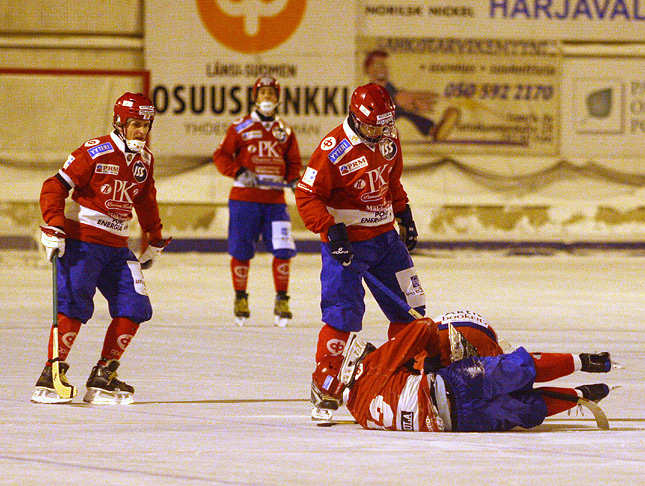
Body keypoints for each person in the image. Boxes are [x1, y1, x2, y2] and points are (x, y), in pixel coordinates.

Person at [294, 83, 425, 420]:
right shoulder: (332, 149)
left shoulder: (389, 138)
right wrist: (329, 228)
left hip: (385, 240)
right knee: (343, 313)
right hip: (347, 246)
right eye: (373, 126)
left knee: (411, 307)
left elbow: (390, 181)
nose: (380, 133)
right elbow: (307, 195)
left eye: (385, 125)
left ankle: (404, 371)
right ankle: (325, 382)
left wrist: (404, 213)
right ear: (355, 117)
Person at [32, 92, 170, 405]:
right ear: (120, 123)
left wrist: (155, 237)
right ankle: (50, 374)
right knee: (75, 305)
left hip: (118, 247)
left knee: (136, 306)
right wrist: (54, 224)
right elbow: (55, 186)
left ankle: (103, 374)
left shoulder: (145, 160)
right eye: (136, 124)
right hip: (84, 243)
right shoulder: (95, 151)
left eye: (146, 125)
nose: (141, 131)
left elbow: (146, 200)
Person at [313, 316, 614, 432]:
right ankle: (583, 361)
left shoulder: (360, 415)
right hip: (453, 385)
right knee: (518, 368)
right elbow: (424, 327)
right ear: (345, 369)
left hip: (458, 422)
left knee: (525, 408)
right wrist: (430, 357)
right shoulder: (370, 368)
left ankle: (581, 397)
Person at [213, 74, 302, 327]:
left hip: (275, 201)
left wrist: (295, 179)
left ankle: (282, 299)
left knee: (283, 250)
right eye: (263, 93)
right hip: (244, 200)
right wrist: (239, 172)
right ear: (255, 97)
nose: (267, 98)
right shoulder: (239, 127)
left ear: (278, 99)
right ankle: (241, 298)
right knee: (241, 250)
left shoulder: (285, 130)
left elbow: (294, 163)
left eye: (271, 94)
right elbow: (220, 156)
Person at [363, 50, 459, 142]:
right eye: (379, 65)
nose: (383, 68)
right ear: (369, 69)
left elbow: (399, 99)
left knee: (410, 115)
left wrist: (414, 104)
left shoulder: (389, 86)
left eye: (384, 65)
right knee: (405, 105)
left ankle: (433, 131)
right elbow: (399, 98)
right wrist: (418, 99)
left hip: (391, 117)